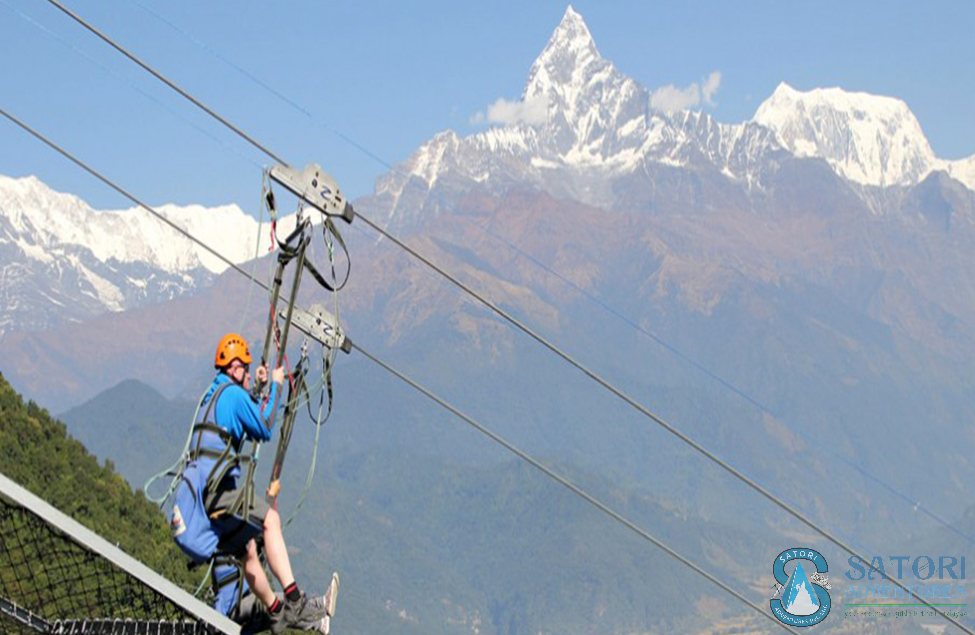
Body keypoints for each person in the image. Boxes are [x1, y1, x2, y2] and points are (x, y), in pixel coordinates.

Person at [174, 332, 338, 634]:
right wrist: (276, 384)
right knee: (270, 521)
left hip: (203, 500)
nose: (249, 373)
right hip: (218, 492)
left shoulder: (215, 394)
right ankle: (294, 601)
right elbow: (262, 426)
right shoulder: (233, 396)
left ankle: (279, 612)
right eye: (246, 369)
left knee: (249, 548)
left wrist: (260, 386)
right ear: (235, 369)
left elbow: (241, 417)